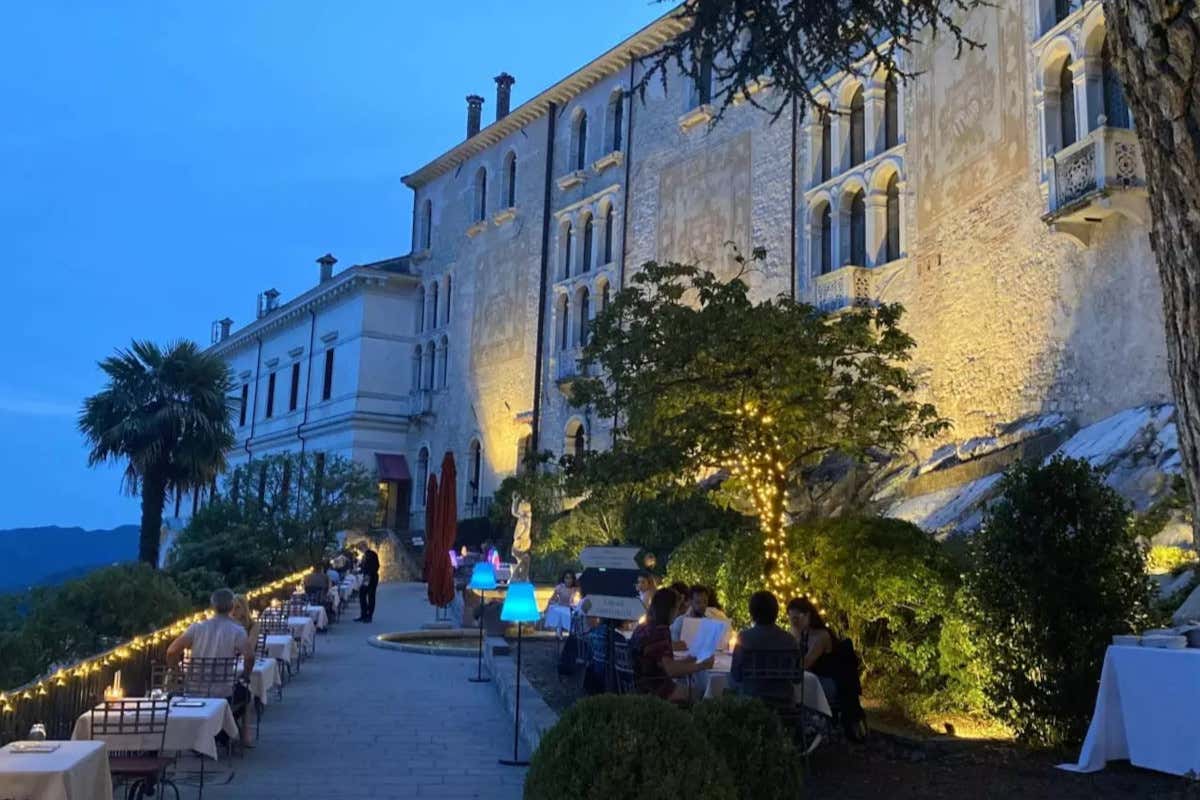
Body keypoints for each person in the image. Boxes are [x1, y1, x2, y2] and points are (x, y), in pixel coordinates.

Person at [166, 588, 254, 745]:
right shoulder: (237, 631)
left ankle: (207, 733)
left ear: (212, 606)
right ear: (232, 607)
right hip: (223, 692)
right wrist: (246, 674)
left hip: (193, 689)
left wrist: (177, 672)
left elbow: (172, 651)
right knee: (246, 694)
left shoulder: (197, 628)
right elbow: (249, 656)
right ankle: (230, 733)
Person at [629, 589, 713, 701]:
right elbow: (671, 670)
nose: (678, 613)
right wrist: (702, 666)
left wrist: (689, 660)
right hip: (654, 690)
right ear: (669, 609)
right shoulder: (660, 631)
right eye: (677, 608)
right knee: (702, 694)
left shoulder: (643, 627)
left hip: (638, 685)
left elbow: (662, 663)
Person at [730, 590, 800, 706]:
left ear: (752, 613)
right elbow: (797, 679)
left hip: (751, 702)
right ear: (776, 612)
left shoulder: (744, 638)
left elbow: (736, 675)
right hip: (783, 701)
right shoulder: (789, 640)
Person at [786, 596, 837, 704]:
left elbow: (805, 664)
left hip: (823, 682)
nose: (793, 622)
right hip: (805, 680)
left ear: (807, 615)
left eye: (797, 618)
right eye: (791, 618)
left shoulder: (821, 636)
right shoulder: (798, 634)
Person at [356, 545, 380, 623]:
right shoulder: (366, 555)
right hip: (367, 576)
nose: (359, 551)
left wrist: (367, 572)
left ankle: (369, 616)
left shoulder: (371, 554)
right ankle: (364, 614)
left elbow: (375, 566)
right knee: (362, 593)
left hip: (370, 576)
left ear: (364, 547)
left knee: (370, 595)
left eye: (360, 549)